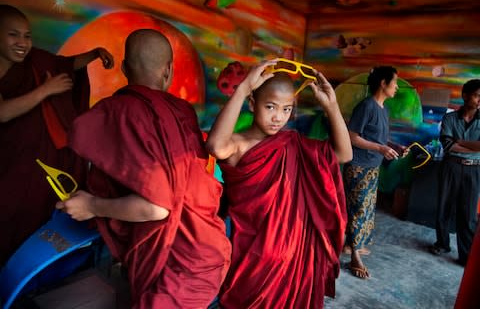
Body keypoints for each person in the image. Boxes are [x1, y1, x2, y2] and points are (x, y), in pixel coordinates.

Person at [58, 29, 231, 308]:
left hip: (173, 262)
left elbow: (156, 207)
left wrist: (92, 205)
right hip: (207, 248)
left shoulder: (116, 112)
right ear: (168, 71)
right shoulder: (183, 111)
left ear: (125, 68)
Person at [206, 60, 352, 308]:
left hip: (294, 253)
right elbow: (215, 146)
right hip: (252, 253)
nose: (278, 117)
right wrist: (242, 89)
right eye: (270, 106)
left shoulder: (295, 143)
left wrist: (332, 107)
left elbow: (343, 154)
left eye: (286, 110)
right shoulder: (238, 144)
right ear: (252, 104)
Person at [0, 4, 113, 266]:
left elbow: (64, 65)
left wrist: (94, 54)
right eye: (13, 35)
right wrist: (45, 90)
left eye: (27, 36)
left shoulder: (35, 61)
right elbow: (3, 113)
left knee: (40, 213)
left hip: (41, 157)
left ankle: (34, 270)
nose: (22, 43)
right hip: (11, 158)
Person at [343, 66, 404, 279]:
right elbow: (352, 137)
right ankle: (355, 256)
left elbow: (378, 139)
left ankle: (353, 245)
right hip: (359, 165)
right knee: (358, 208)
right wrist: (380, 148)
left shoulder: (383, 109)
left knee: (367, 208)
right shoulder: (366, 106)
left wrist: (393, 146)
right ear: (383, 83)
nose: (396, 87)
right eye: (394, 82)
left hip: (373, 166)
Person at [429, 79, 480, 266]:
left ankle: (465, 255)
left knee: (468, 215)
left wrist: (461, 142)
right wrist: (472, 146)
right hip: (451, 166)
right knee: (444, 207)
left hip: (474, 169)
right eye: (477, 95)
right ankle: (442, 244)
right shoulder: (450, 118)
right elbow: (448, 146)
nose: (479, 100)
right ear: (465, 95)